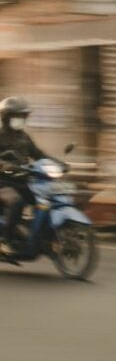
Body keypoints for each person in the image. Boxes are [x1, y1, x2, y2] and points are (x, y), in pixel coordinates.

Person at [0, 96, 55, 257]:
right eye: (18, 116)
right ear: (6, 117)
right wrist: (5, 165)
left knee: (46, 200)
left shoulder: (23, 136)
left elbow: (38, 154)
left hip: (23, 180)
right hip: (3, 182)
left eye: (23, 116)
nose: (21, 120)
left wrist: (57, 162)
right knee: (17, 202)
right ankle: (5, 240)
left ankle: (42, 238)